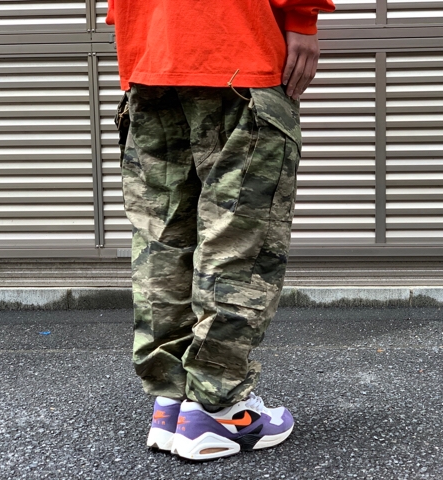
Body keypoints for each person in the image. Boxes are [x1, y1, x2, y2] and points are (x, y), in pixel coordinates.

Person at [106, 0, 335, 461]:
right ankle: (217, 409)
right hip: (237, 46)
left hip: (148, 51)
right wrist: (302, 17)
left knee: (162, 240)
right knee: (239, 239)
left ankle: (171, 402)